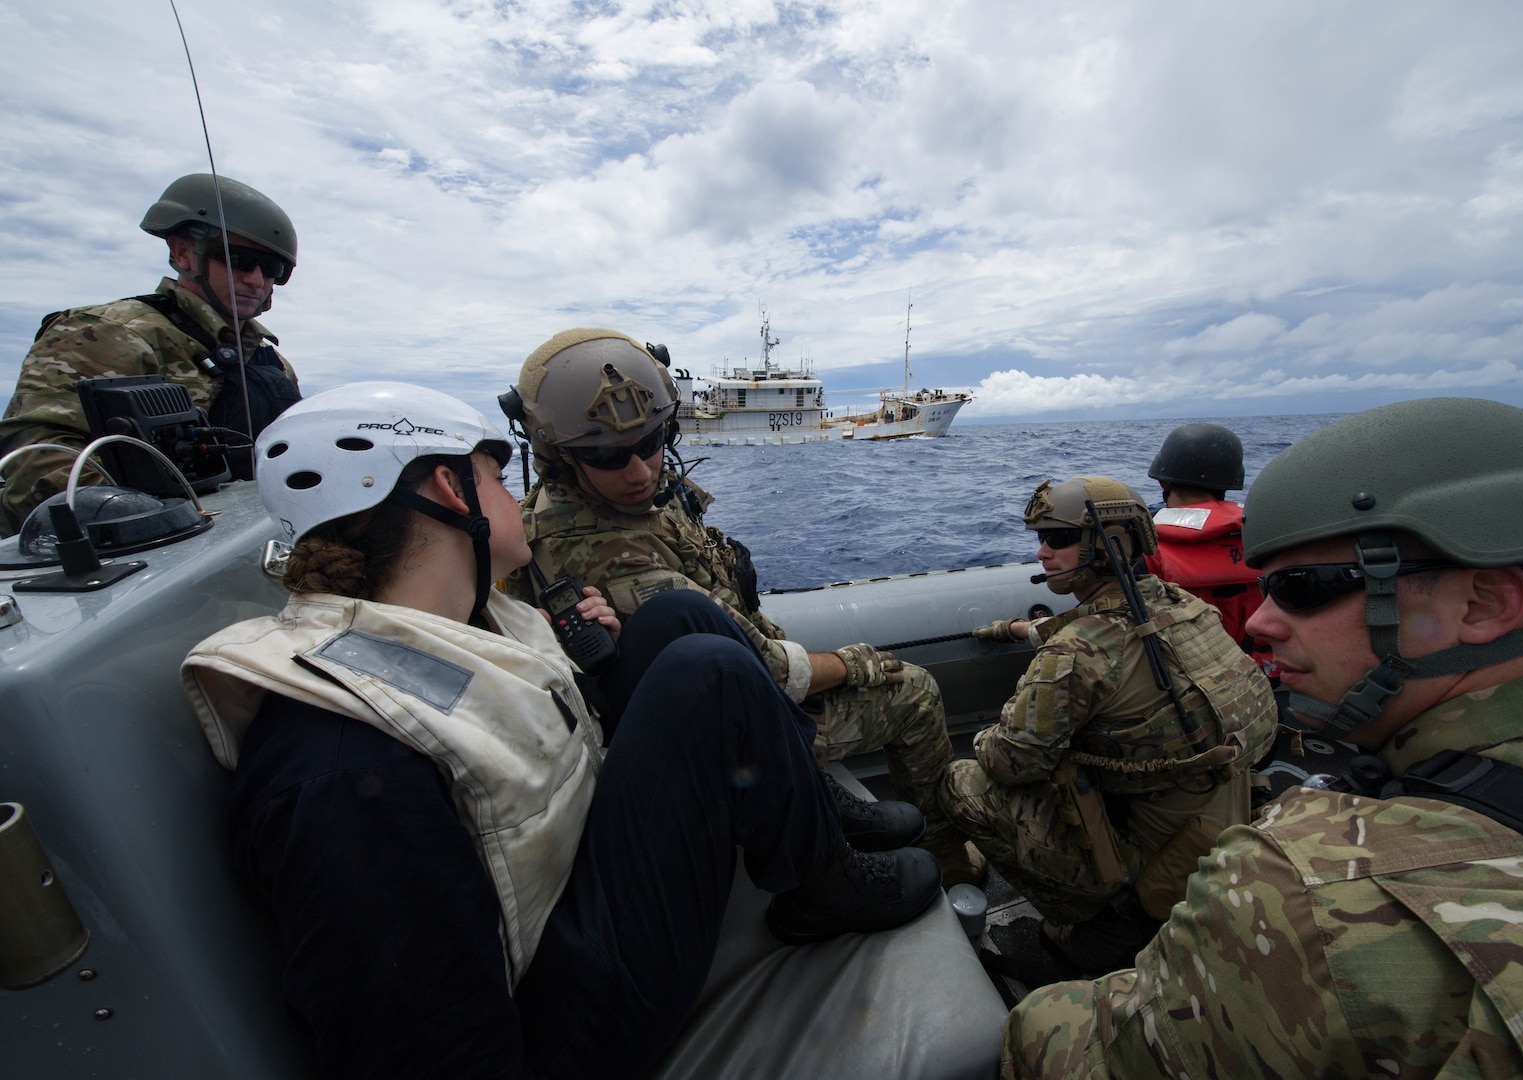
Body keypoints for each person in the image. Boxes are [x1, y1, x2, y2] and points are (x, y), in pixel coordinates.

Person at [180, 383, 939, 1078]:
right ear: (451, 490)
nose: (522, 500)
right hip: (569, 1034)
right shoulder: (343, 776)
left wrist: (596, 671)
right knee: (707, 669)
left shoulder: (458, 625)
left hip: (565, 891)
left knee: (677, 619)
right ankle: (823, 886)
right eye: (499, 475)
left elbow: (520, 758)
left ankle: (811, 820)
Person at [1001, 398, 1523, 1080]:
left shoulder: (1305, 889)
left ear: (1485, 603)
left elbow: (1091, 1059)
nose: (1260, 622)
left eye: (1302, 588)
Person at [504, 328, 982, 886]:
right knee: (916, 691)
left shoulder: (606, 506)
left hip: (697, 707)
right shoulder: (605, 551)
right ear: (560, 457)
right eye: (607, 455)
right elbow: (770, 674)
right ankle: (951, 866)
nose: (639, 472)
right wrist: (862, 661)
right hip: (713, 737)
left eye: (650, 442)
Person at [952, 476, 1277, 975]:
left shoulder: (1076, 652)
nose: (1042, 552)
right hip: (1218, 820)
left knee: (964, 783)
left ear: (1110, 544)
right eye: (1040, 538)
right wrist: (1019, 631)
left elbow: (1010, 761)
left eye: (1057, 539)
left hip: (1150, 868)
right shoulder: (1185, 607)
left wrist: (985, 736)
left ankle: (1102, 924)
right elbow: (1112, 637)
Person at [0, 173, 301, 535]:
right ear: (183, 253)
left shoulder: (269, 362)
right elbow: (38, 458)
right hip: (137, 566)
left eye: (272, 269)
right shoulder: (109, 332)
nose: (256, 280)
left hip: (258, 543)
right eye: (238, 259)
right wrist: (142, 523)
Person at [1142, 422, 1275, 674]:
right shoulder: (1265, 533)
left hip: (1190, 683)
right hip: (1266, 673)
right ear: (1232, 480)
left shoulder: (1145, 546)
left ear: (1162, 482)